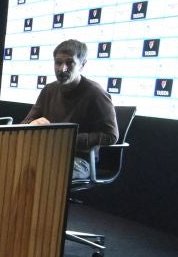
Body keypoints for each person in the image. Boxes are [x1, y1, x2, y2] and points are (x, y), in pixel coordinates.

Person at [21, 38, 118, 184]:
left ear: (82, 65)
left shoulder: (96, 93)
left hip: (80, 159)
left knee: (46, 174)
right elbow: (25, 123)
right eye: (58, 63)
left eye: (69, 63)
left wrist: (64, 138)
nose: (62, 69)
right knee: (14, 166)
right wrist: (31, 124)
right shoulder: (49, 90)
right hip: (47, 153)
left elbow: (111, 136)